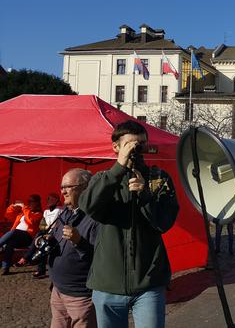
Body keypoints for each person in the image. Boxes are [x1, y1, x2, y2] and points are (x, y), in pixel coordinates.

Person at [79, 120, 179, 328]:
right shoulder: (103, 179)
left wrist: (145, 195)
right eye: (131, 144)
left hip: (148, 282)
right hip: (108, 283)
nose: (137, 150)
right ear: (116, 146)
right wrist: (118, 168)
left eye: (141, 144)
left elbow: (164, 223)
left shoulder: (158, 178)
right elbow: (89, 206)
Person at [48, 168, 98, 328]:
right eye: (62, 187)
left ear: (85, 187)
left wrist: (79, 242)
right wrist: (44, 239)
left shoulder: (97, 217)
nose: (62, 192)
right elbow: (55, 237)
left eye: (67, 187)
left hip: (81, 296)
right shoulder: (66, 212)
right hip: (58, 290)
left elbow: (103, 259)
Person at [17, 192, 64, 277]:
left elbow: (61, 224)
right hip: (45, 232)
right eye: (48, 198)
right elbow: (42, 225)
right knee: (40, 240)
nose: (48, 200)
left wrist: (50, 233)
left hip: (55, 233)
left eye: (51, 198)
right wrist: (44, 230)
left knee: (42, 241)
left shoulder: (60, 210)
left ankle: (27, 258)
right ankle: (38, 267)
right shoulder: (46, 212)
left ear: (56, 200)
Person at [1, 194, 43, 275]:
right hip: (17, 237)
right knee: (10, 244)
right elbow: (8, 215)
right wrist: (14, 206)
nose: (29, 203)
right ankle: (5, 268)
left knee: (14, 232)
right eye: (28, 201)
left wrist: (25, 208)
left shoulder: (39, 214)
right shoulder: (23, 213)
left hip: (28, 238)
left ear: (37, 203)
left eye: (31, 201)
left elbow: (30, 221)